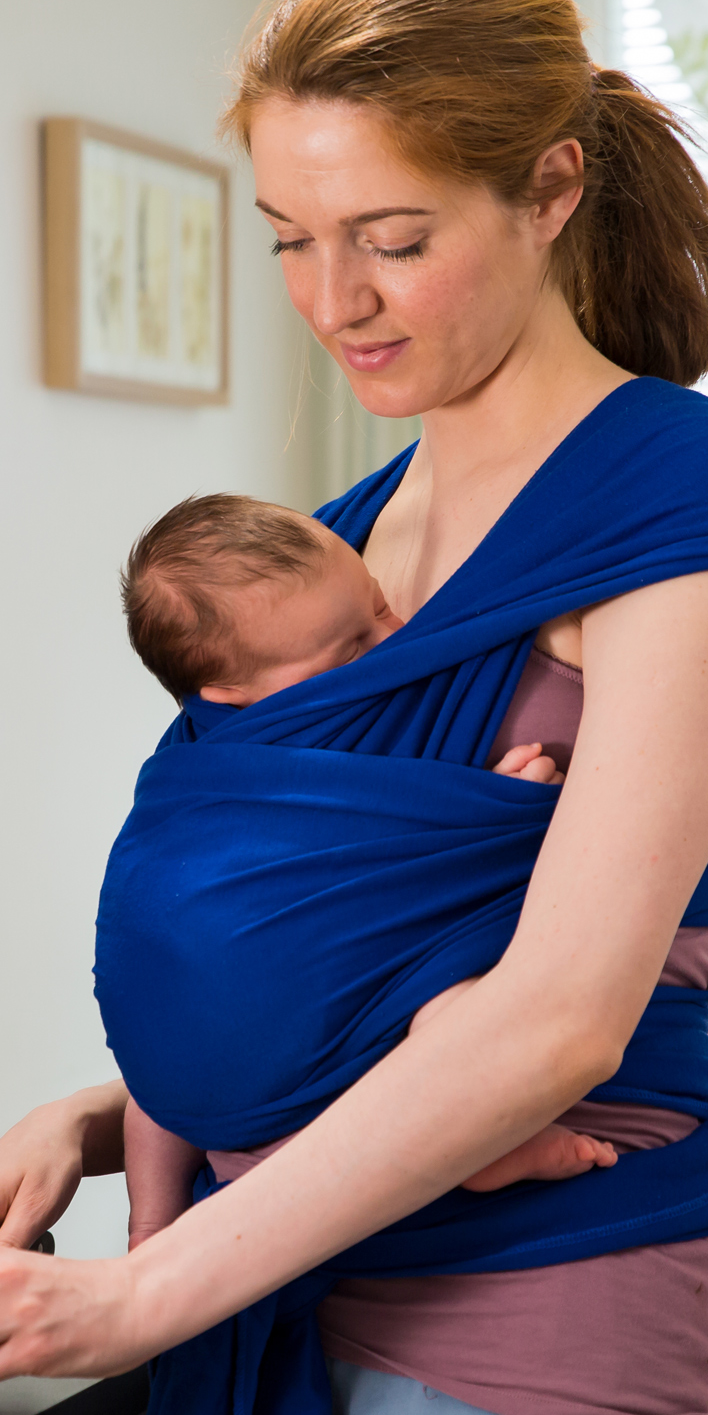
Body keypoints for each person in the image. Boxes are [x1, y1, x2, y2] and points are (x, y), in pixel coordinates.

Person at [0, 0, 708, 1415]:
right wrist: (99, 1114)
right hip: (291, 1284)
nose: (332, 299)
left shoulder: (678, 502)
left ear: (550, 188)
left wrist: (141, 1297)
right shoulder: (338, 548)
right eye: (291, 239)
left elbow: (558, 1019)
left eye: (393, 239)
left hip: (535, 1328)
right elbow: (345, 969)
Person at [116, 492, 617, 1246]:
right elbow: (388, 825)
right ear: (228, 693)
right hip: (234, 973)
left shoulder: (300, 689)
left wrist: (485, 800)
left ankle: (151, 1227)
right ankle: (152, 1231)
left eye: (379, 604)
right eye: (352, 647)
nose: (394, 640)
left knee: (158, 1092)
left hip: (260, 1007)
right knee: (441, 1004)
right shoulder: (253, 743)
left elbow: (386, 833)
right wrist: (500, 804)